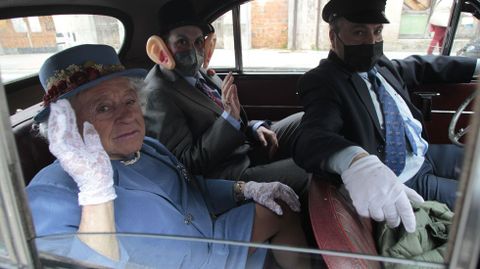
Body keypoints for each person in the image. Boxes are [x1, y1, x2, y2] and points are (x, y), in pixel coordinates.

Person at [26, 44, 311, 268]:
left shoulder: (148, 149)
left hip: (215, 239)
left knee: (282, 207)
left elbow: (192, 188)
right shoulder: (50, 192)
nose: (127, 116)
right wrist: (95, 195)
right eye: (103, 108)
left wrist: (245, 189)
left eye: (129, 101)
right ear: (66, 126)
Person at [293, 0, 480, 233]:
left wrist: (476, 66)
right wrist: (355, 161)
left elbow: (420, 66)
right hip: (403, 179)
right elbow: (311, 138)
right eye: (359, 32)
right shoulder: (324, 81)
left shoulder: (381, 64)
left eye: (377, 31)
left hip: (424, 153)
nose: (371, 42)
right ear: (334, 37)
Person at [141, 0, 309, 196]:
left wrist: (254, 128)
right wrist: (228, 120)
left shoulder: (201, 74)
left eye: (198, 42)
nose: (193, 50)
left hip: (245, 148)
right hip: (228, 175)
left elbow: (233, 117)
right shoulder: (157, 93)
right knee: (309, 169)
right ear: (163, 48)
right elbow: (186, 163)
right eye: (182, 42)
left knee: (306, 120)